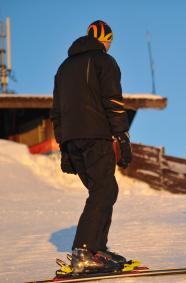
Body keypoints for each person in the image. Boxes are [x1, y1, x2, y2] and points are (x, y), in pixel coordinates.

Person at [51, 20, 132, 274]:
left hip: (73, 141)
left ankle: (97, 249)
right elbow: (113, 102)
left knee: (106, 189)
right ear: (104, 39)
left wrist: (64, 148)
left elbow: (57, 112)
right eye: (109, 41)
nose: (109, 45)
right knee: (103, 189)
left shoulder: (63, 68)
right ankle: (84, 252)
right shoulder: (104, 62)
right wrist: (122, 137)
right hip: (95, 137)